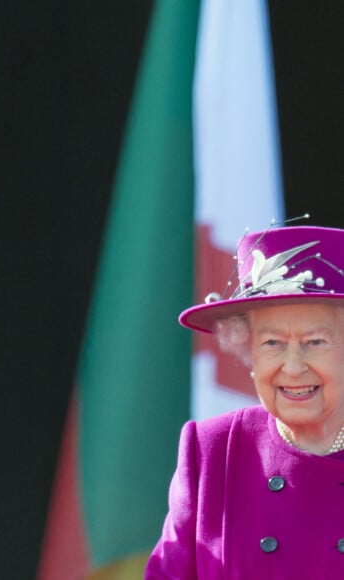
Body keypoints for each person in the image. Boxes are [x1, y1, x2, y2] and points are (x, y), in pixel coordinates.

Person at [146, 223, 344, 579]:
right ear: (247, 351)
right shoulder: (211, 448)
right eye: (272, 343)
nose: (294, 367)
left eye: (315, 342)